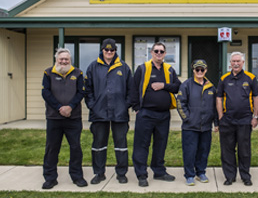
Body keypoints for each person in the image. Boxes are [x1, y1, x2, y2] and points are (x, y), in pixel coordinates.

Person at [84, 38, 133, 185]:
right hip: (99, 113)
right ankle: (99, 173)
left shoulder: (124, 67)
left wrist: (125, 105)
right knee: (98, 145)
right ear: (102, 50)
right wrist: (92, 105)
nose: (109, 52)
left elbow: (131, 90)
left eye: (112, 50)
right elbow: (88, 90)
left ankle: (121, 173)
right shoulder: (93, 67)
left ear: (115, 51)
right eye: (107, 50)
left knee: (121, 145)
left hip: (119, 113)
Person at [132, 42, 181, 187]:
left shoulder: (169, 70)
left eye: (162, 51)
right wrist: (137, 108)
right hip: (146, 114)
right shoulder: (142, 69)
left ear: (165, 54)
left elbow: (178, 86)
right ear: (151, 53)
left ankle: (159, 172)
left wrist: (163, 85)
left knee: (160, 145)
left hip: (163, 115)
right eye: (156, 51)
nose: (159, 53)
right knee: (142, 145)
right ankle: (141, 174)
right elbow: (134, 89)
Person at [41, 48, 87, 189]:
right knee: (52, 148)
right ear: (56, 60)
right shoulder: (48, 72)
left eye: (66, 59)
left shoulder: (78, 73)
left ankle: (77, 176)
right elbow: (45, 92)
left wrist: (70, 107)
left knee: (75, 148)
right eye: (61, 59)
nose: (64, 61)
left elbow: (81, 92)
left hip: (73, 118)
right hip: (54, 117)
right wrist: (59, 107)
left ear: (70, 60)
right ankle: (50, 178)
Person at [216, 51, 258, 186]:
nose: (236, 63)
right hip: (227, 120)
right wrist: (220, 117)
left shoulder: (251, 78)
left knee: (244, 150)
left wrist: (255, 116)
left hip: (245, 120)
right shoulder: (224, 79)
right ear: (230, 63)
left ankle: (245, 176)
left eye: (238, 61)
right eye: (233, 61)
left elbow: (256, 97)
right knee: (227, 150)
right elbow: (219, 98)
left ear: (243, 63)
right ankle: (230, 176)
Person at [177, 59, 218, 186]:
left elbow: (216, 106)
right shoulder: (186, 85)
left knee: (203, 151)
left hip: (206, 127)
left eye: (202, 69)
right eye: (197, 69)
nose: (199, 72)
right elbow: (180, 103)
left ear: (206, 70)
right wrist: (187, 118)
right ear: (193, 70)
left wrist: (216, 123)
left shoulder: (211, 86)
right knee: (190, 152)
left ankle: (201, 172)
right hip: (190, 126)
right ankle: (189, 175)